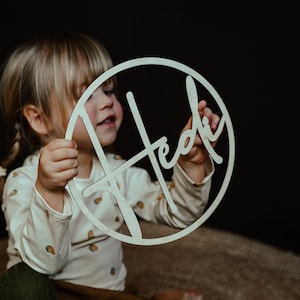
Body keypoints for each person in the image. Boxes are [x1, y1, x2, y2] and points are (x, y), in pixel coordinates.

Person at [0, 32, 220, 299]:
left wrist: (191, 164)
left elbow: (179, 214)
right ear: (38, 118)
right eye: (86, 96)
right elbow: (45, 265)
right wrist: (49, 192)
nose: (106, 102)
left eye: (108, 89)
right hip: (50, 293)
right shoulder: (23, 182)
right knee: (23, 285)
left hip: (109, 294)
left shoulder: (118, 173)